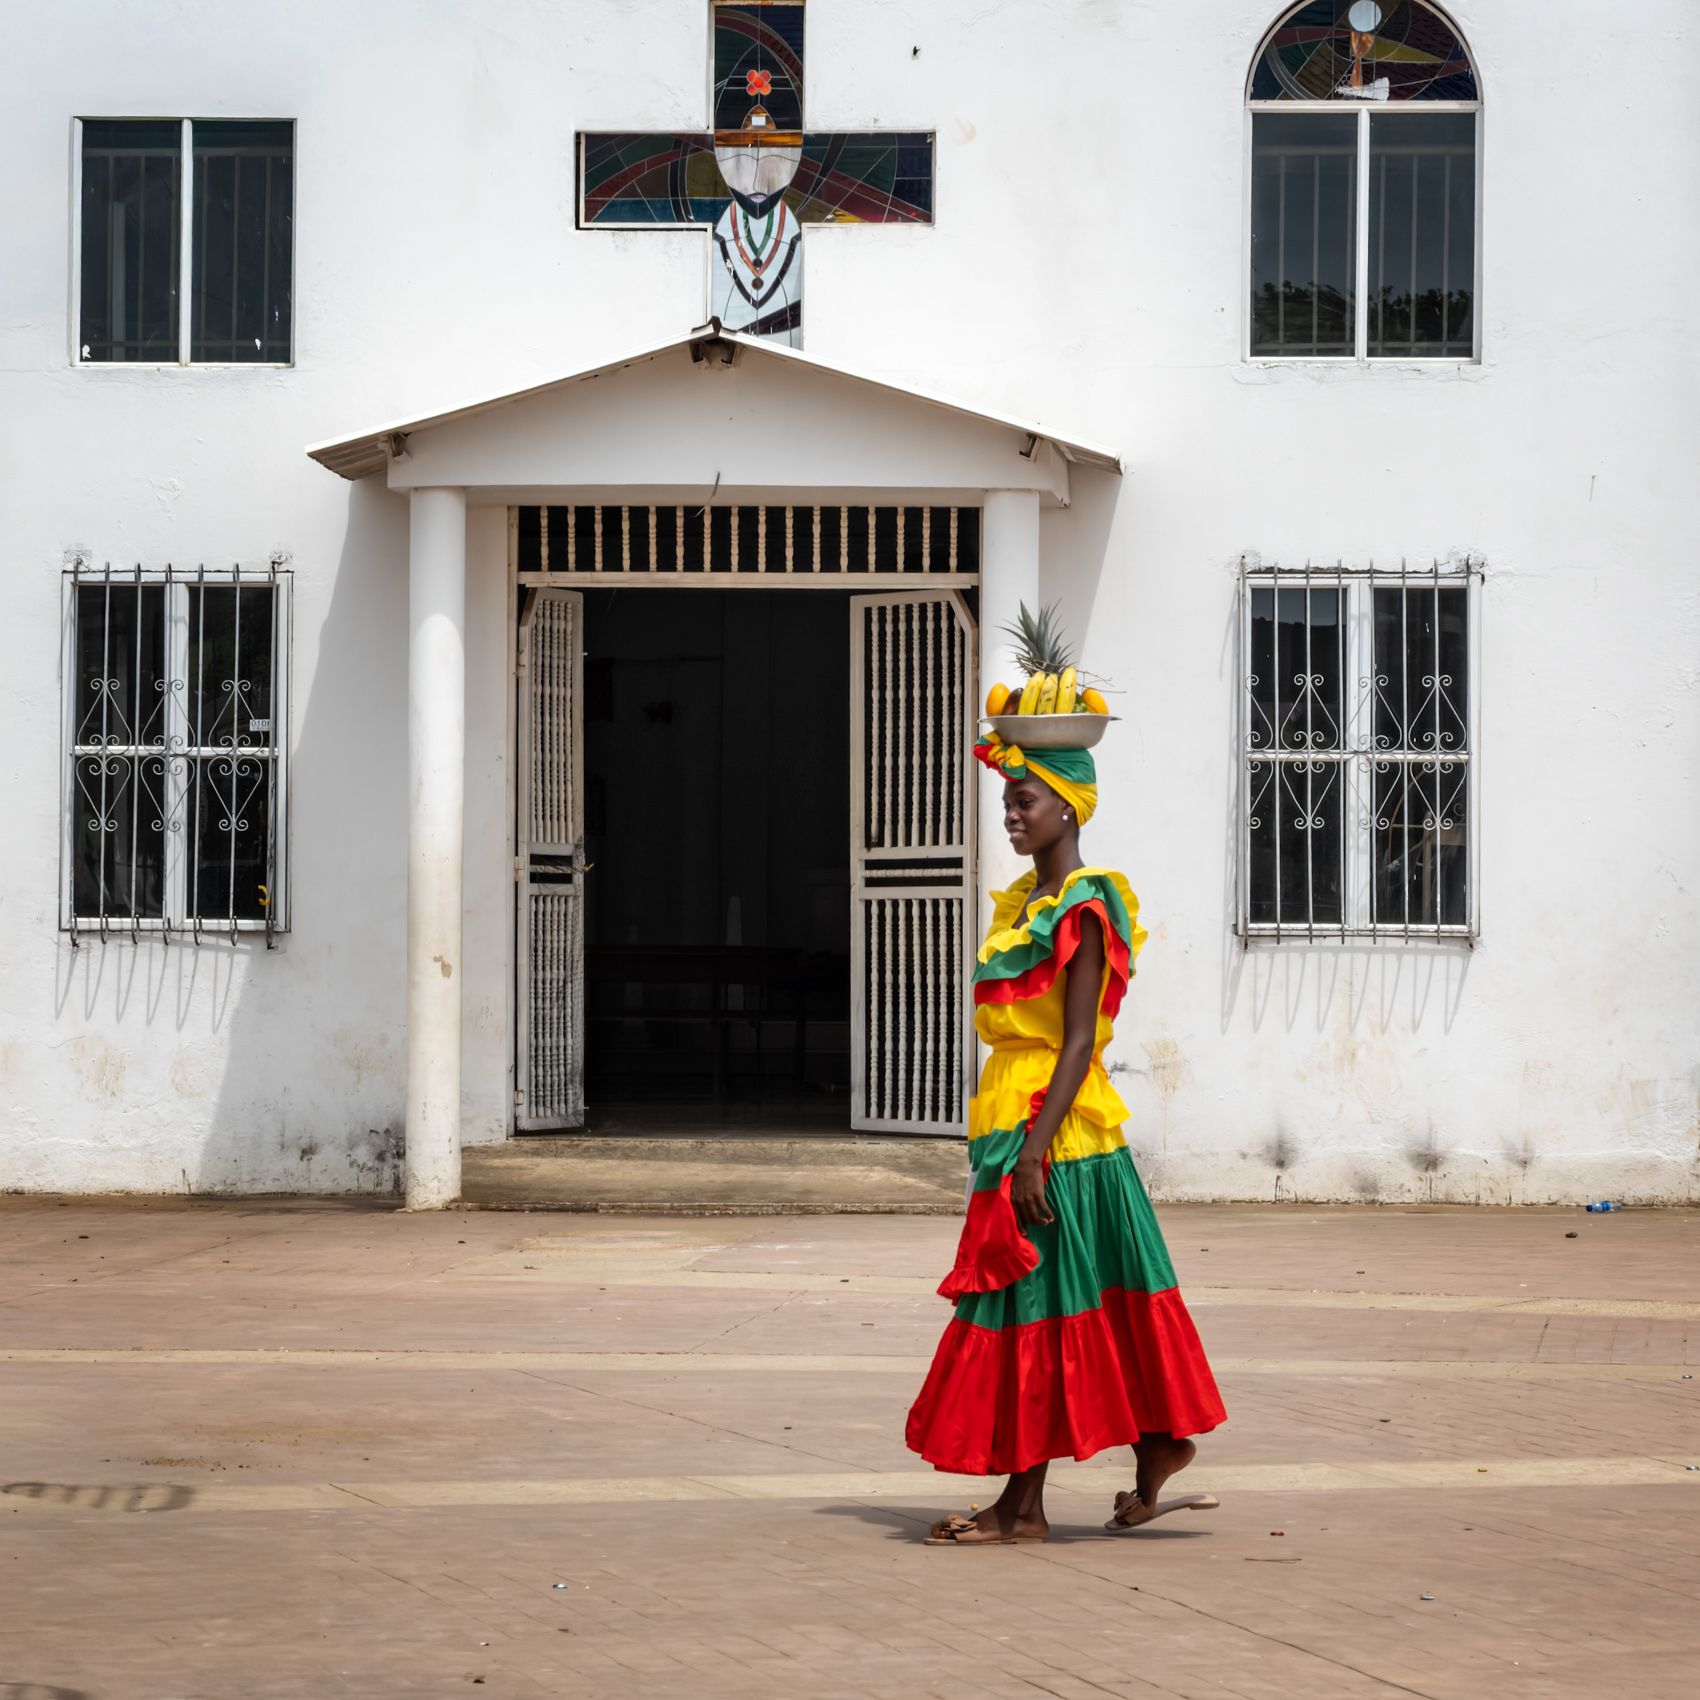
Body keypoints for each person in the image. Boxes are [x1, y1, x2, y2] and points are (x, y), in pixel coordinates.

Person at [906, 731, 1226, 1543]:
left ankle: (1024, 1508)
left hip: (1060, 1130)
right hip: (1018, 1117)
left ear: (1067, 808)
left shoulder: (1084, 905)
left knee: (1041, 1308)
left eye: (1025, 802)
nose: (1011, 815)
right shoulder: (1026, 903)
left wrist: (1036, 1152)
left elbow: (1080, 1039)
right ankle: (1153, 1445)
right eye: (1009, 801)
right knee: (1064, 1306)